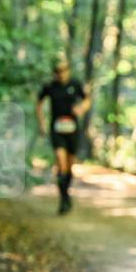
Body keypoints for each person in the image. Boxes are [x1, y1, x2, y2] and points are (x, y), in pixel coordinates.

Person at [36, 62, 90, 215]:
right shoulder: (50, 86)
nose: (61, 73)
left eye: (63, 70)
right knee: (61, 162)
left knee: (69, 165)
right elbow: (39, 103)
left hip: (72, 129)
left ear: (68, 70)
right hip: (57, 129)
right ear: (54, 73)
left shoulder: (75, 84)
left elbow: (87, 99)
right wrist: (41, 122)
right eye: (57, 71)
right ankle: (64, 198)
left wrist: (82, 108)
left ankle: (66, 195)